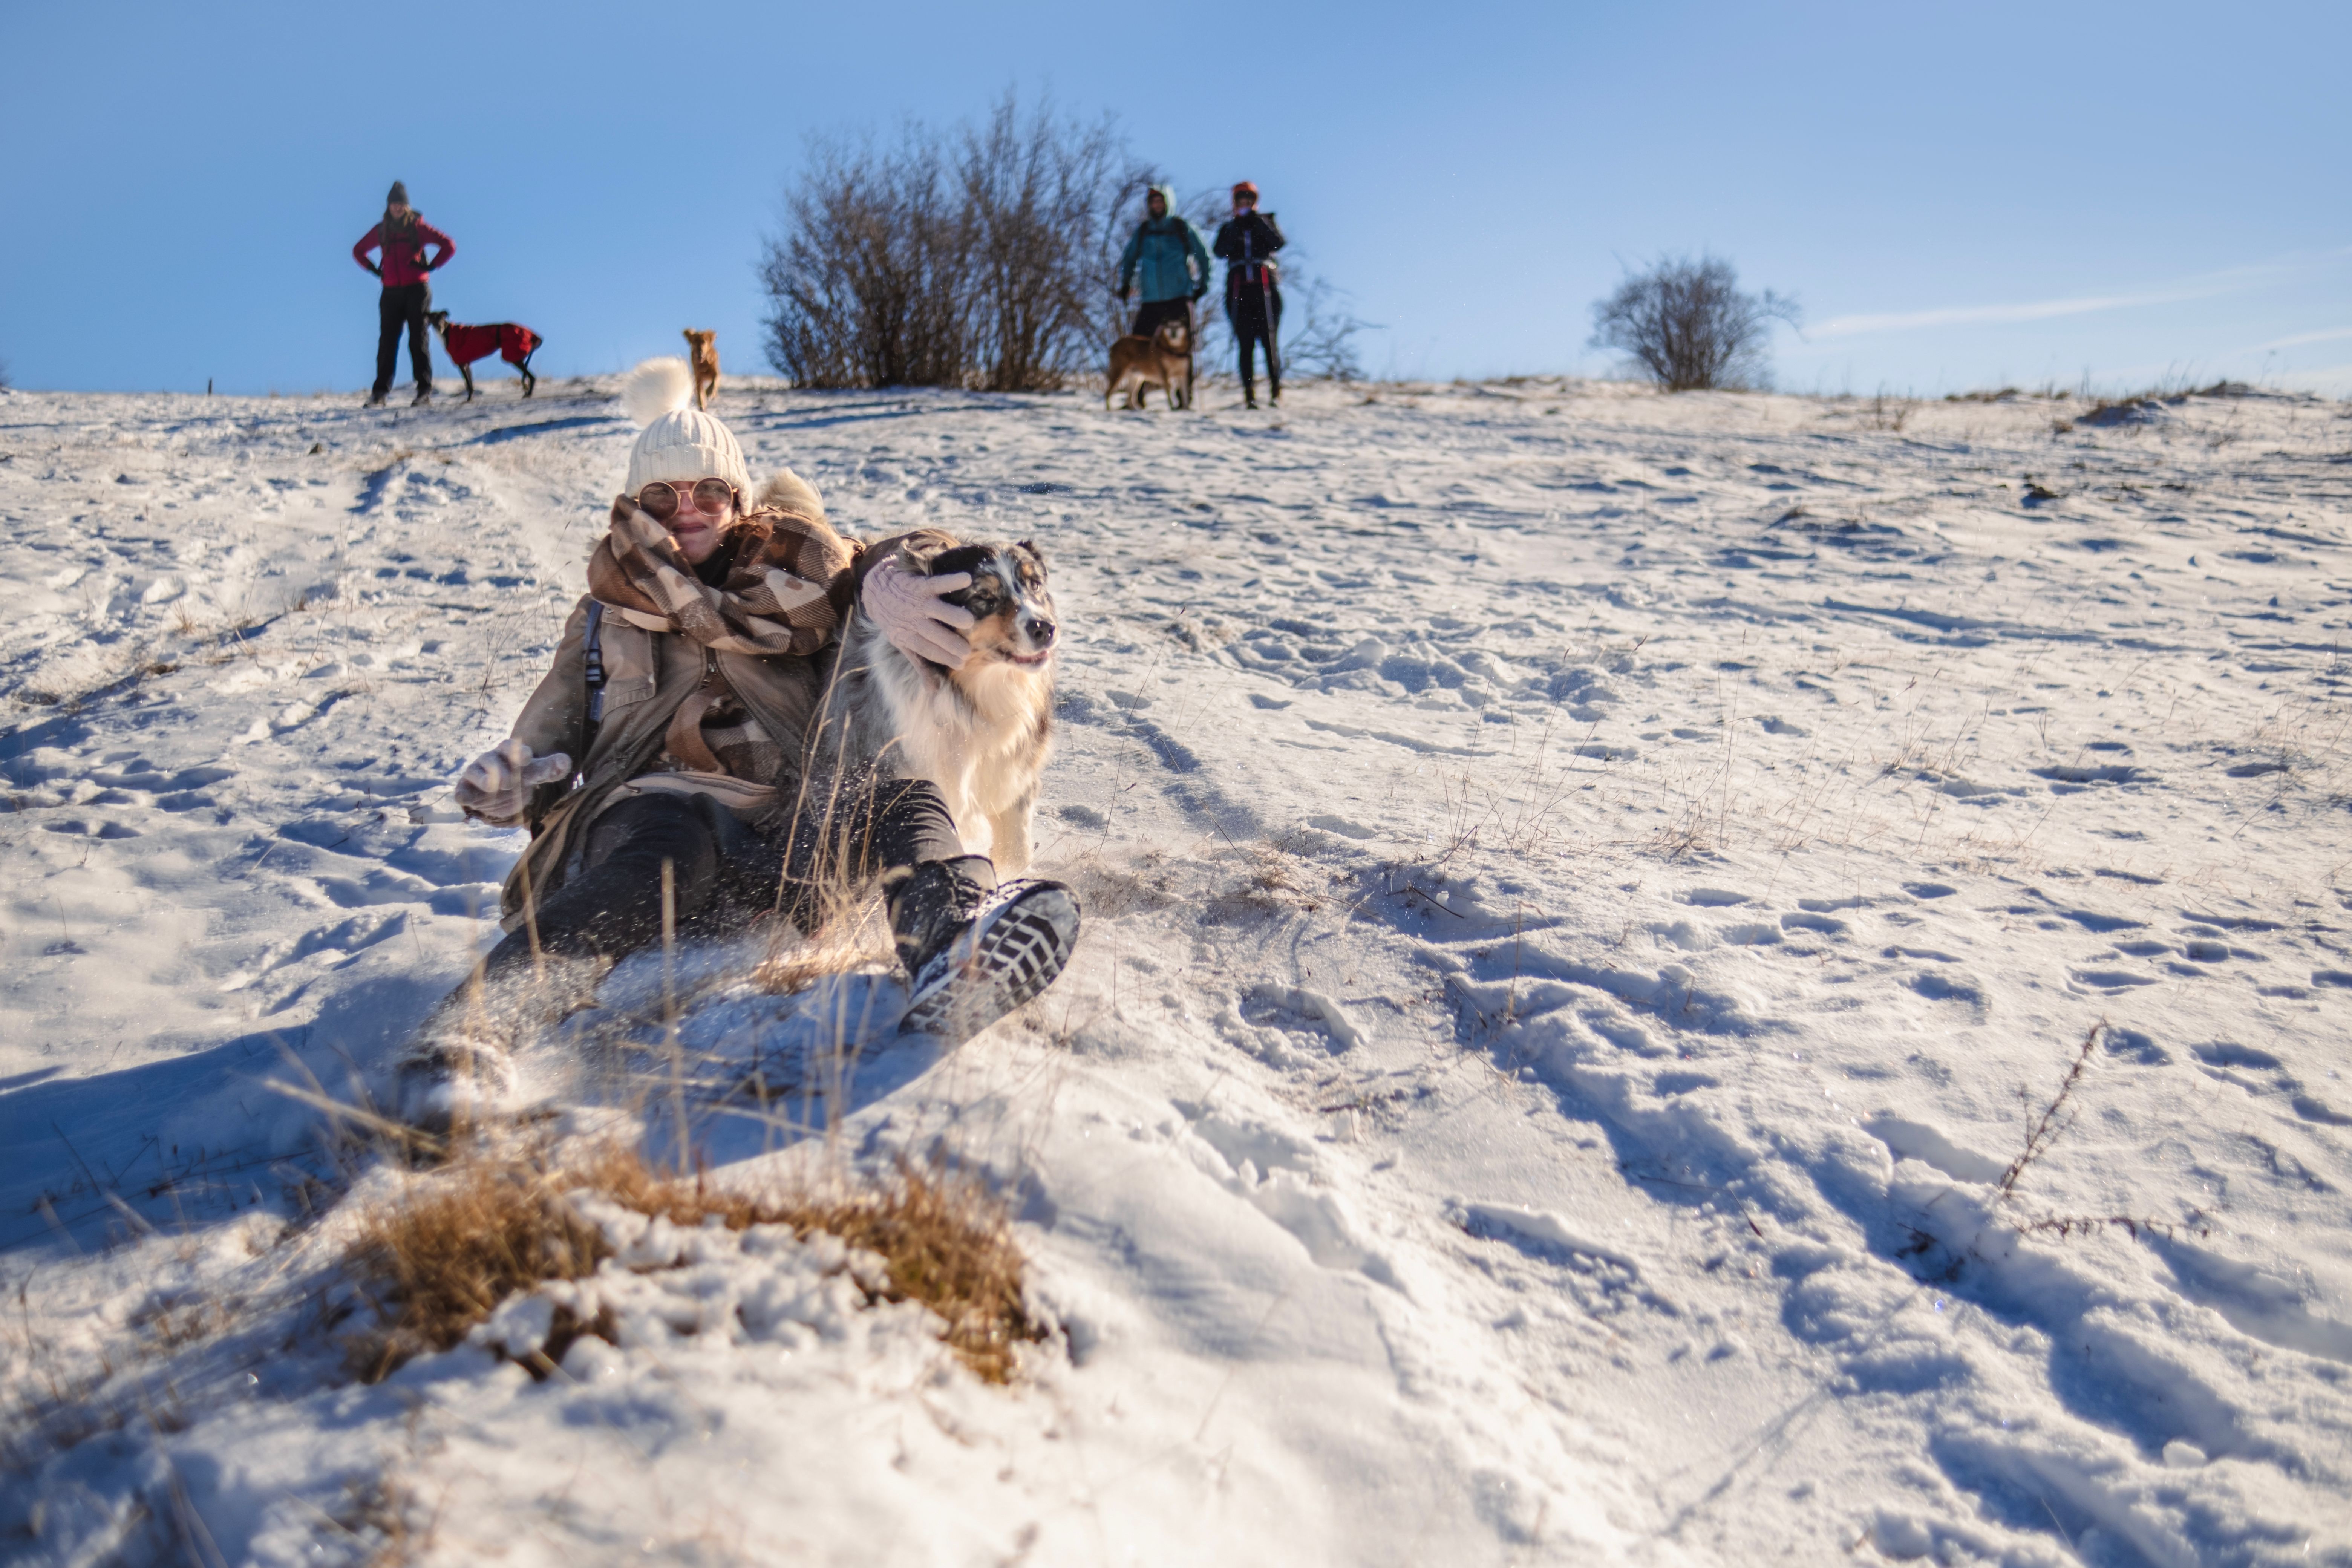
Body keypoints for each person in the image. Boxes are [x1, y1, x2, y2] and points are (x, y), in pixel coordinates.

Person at [392, 358, 1080, 1131]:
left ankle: (956, 950)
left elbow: (919, 548)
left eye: (708, 491)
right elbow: (540, 742)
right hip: (658, 817)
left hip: (792, 828)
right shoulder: (601, 617)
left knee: (902, 792)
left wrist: (893, 579)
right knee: (667, 850)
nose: (687, 509)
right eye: (662, 495)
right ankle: (463, 1042)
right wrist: (510, 779)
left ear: (739, 501)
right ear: (635, 507)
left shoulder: (810, 580)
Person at [352, 181, 455, 407]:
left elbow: (449, 245)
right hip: (390, 293)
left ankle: (424, 391)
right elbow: (358, 251)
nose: (397, 208)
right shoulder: (382, 230)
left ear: (407, 206)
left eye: (401, 204)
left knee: (418, 339)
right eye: (394, 204)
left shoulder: (418, 228)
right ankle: (379, 394)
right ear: (388, 206)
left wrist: (431, 267)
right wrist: (374, 270)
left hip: (418, 290)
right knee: (387, 342)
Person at [1213, 182, 1285, 409]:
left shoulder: (1266, 222)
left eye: (1249, 201)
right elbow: (1219, 251)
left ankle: (1275, 390)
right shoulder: (1228, 227)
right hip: (1239, 290)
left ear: (1255, 202)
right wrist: (1236, 227)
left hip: (1265, 289)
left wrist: (1259, 223)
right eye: (1240, 201)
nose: (1245, 205)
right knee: (1245, 343)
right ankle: (1249, 393)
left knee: (1269, 339)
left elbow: (1278, 243)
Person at [1116, 185, 1211, 345]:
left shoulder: (1182, 228)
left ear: (1168, 203)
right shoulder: (1144, 231)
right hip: (1150, 300)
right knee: (1141, 348)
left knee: (1178, 350)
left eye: (1161, 201)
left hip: (1179, 299)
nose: (1157, 205)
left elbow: (1204, 257)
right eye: (1153, 202)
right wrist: (1126, 283)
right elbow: (1129, 258)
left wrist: (1203, 285)